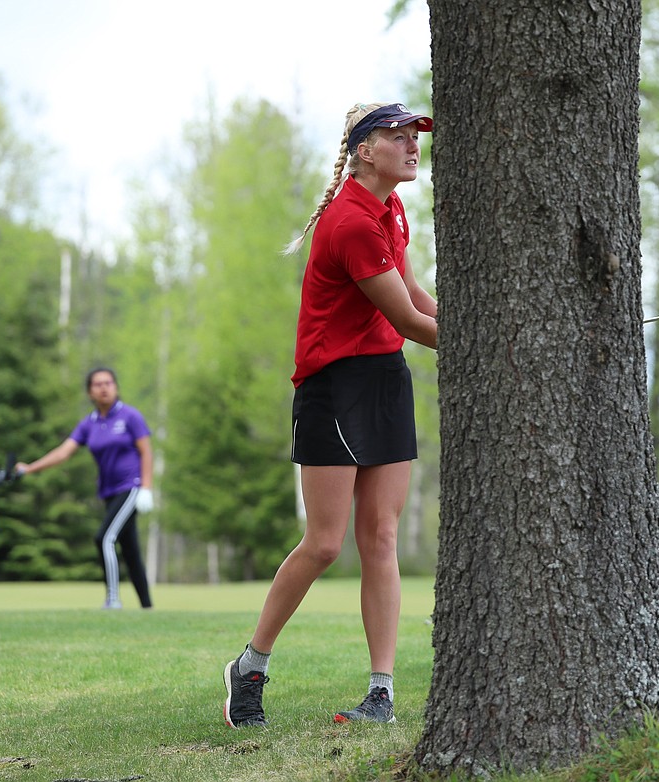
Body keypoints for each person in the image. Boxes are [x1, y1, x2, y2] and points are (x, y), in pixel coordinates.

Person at [223, 102, 438, 728]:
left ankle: (380, 693)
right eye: (397, 137)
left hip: (384, 380)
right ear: (364, 150)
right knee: (322, 543)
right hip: (333, 386)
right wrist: (485, 342)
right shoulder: (348, 222)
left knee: (381, 536)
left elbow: (417, 297)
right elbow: (406, 320)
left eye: (412, 136)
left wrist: (477, 321)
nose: (410, 145)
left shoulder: (392, 210)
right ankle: (251, 664)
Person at [16, 367, 155, 610]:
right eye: (98, 384)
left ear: (116, 387)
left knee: (105, 538)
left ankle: (112, 601)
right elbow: (63, 452)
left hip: (130, 488)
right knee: (130, 551)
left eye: (109, 383)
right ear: (90, 392)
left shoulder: (130, 416)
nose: (104, 388)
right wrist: (30, 469)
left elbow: (146, 451)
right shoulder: (88, 424)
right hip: (109, 493)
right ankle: (148, 609)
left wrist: (146, 487)